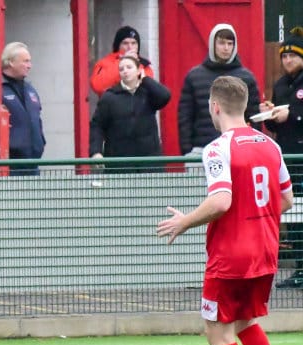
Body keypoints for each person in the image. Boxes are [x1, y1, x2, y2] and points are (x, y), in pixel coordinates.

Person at [155, 76, 292, 345]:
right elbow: (287, 199)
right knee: (246, 321)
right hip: (265, 250)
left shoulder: (218, 148)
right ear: (244, 106)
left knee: (217, 332)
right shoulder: (270, 145)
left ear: (214, 107)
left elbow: (220, 201)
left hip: (231, 254)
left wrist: (185, 221)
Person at [178, 23, 261, 156]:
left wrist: (253, 146)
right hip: (201, 149)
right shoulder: (194, 76)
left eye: (230, 43)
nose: (226, 48)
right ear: (213, 44)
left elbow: (254, 116)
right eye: (221, 43)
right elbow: (185, 117)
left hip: (237, 149)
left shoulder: (246, 78)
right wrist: (187, 151)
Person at [261, 27, 303, 289]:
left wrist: (294, 115)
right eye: (284, 56)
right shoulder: (279, 85)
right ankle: (300, 267)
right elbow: (276, 126)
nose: (288, 60)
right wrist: (270, 115)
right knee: (294, 213)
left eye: (293, 56)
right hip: (287, 158)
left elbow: (295, 116)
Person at [89, 56, 171, 169]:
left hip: (149, 161)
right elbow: (97, 125)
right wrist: (96, 152)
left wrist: (145, 79)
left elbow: (165, 96)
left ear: (138, 70)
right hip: (119, 162)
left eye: (129, 67)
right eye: (121, 69)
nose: (125, 71)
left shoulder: (148, 92)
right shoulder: (109, 96)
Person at [0, 42, 45, 173]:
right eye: (25, 61)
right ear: (11, 62)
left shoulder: (30, 90)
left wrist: (41, 141)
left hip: (33, 162)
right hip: (10, 165)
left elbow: (37, 119)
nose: (29, 66)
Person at [89, 25, 156, 97]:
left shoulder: (144, 65)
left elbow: (149, 91)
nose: (130, 47)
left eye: (133, 43)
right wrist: (122, 62)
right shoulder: (104, 63)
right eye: (125, 43)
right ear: (118, 45)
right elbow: (97, 86)